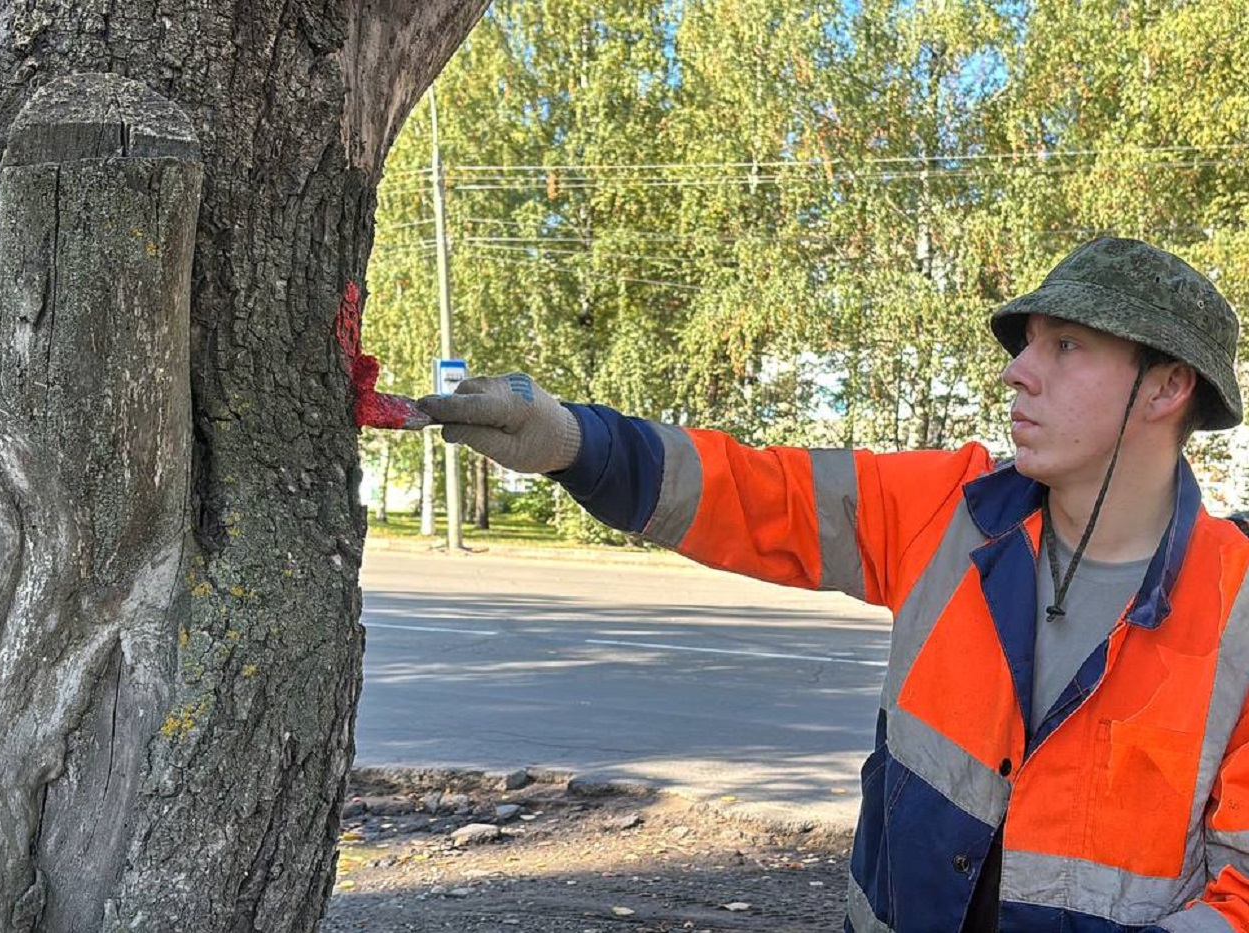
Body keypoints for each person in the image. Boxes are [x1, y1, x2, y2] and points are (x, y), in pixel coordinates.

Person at [416, 237, 1249, 932]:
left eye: (1066, 346)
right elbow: (754, 494)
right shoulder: (948, 515)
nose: (1018, 372)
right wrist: (572, 441)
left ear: (1169, 385)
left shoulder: (1239, 608)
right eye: (1027, 342)